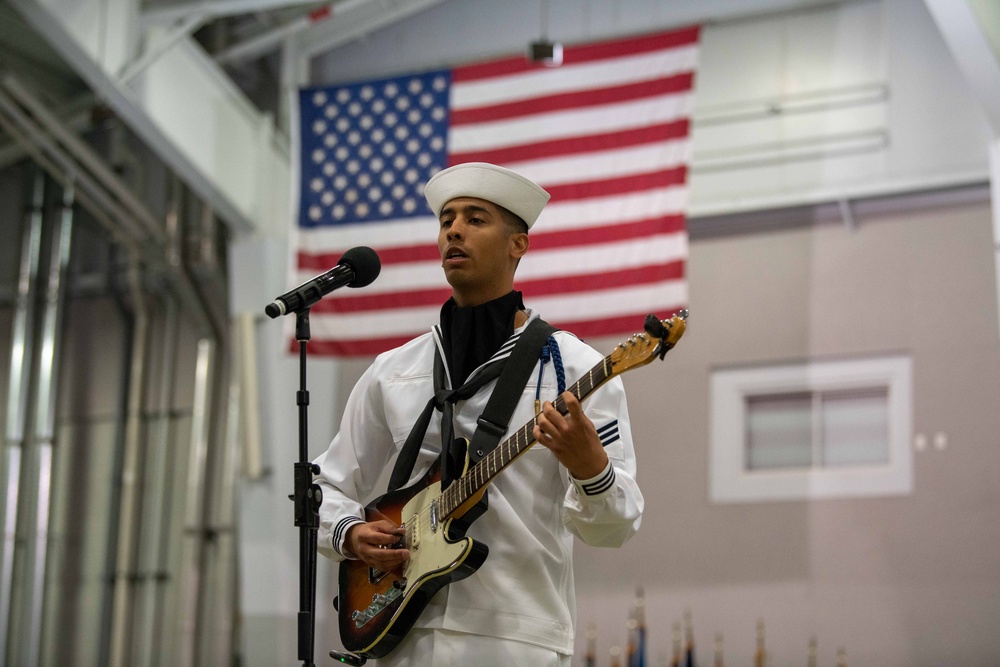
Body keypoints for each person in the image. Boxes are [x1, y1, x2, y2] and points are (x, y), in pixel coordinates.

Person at [313, 162, 644, 666]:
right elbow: (321, 486)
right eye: (446, 219)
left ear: (519, 244)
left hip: (516, 637)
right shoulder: (393, 371)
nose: (454, 230)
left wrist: (590, 467)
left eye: (476, 218)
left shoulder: (577, 368)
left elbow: (616, 526)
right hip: (400, 634)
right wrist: (350, 533)